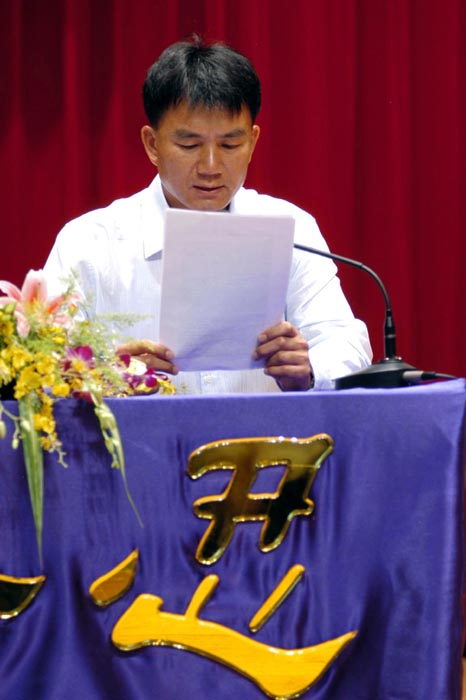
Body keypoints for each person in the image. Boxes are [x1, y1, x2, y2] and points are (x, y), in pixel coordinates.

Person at [43, 36, 372, 393]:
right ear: (152, 144)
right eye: (189, 145)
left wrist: (309, 369)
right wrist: (104, 375)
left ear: (253, 142)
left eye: (230, 144)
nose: (211, 166)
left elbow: (346, 343)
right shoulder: (89, 243)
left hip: (265, 432)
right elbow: (42, 366)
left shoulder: (292, 230)